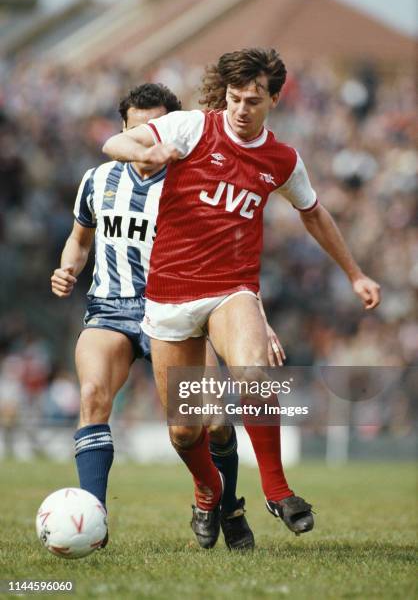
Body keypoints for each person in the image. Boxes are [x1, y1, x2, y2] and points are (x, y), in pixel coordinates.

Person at [102, 48, 381, 549]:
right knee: (186, 433)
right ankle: (209, 493)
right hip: (169, 295)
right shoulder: (190, 128)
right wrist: (145, 152)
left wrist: (355, 273)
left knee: (253, 370)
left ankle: (278, 490)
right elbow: (114, 140)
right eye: (234, 99)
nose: (241, 109)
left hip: (232, 290)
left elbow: (314, 213)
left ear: (274, 99)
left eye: (253, 100)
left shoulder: (282, 159)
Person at [51, 83, 282, 551]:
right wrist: (67, 268)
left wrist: (259, 318)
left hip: (179, 310)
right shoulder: (97, 180)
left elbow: (231, 259)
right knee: (93, 395)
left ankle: (228, 505)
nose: (146, 143)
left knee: (212, 422)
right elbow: (80, 238)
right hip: (111, 309)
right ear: (123, 131)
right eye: (136, 132)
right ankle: (92, 520)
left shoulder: (195, 183)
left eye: (154, 132)